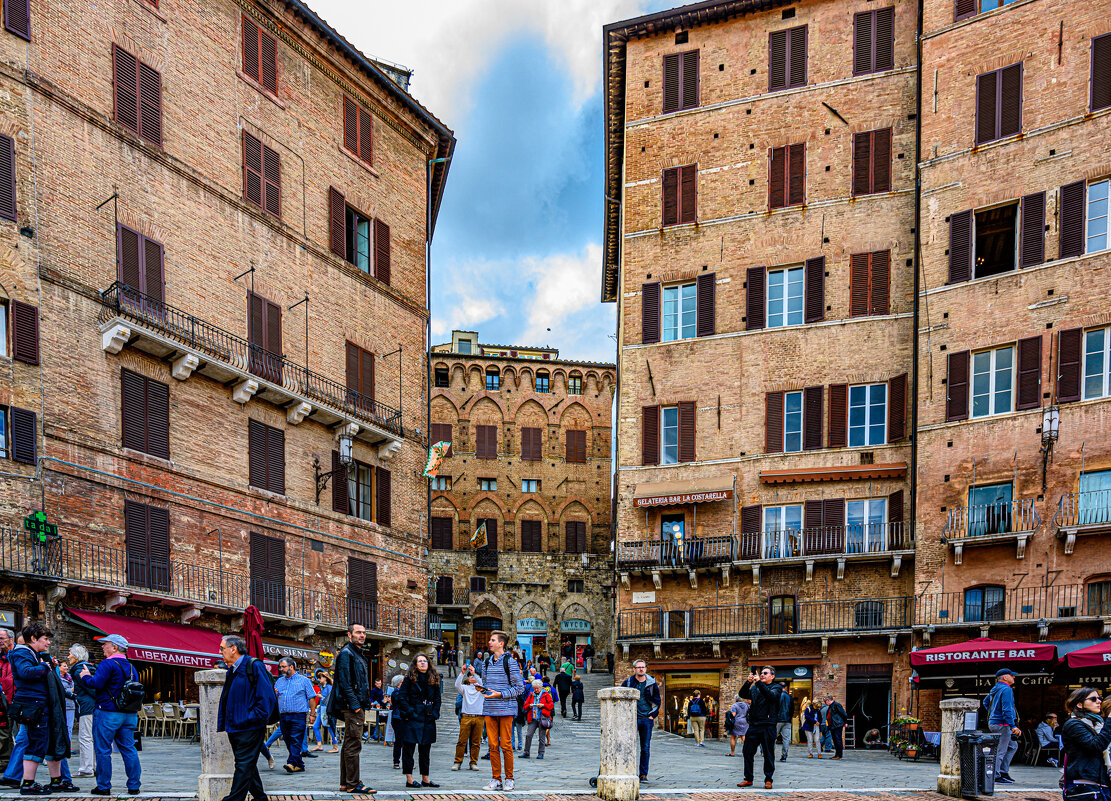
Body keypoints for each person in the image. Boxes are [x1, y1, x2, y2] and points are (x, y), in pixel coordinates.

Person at [10, 623, 76, 795]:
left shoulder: (35, 654)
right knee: (36, 743)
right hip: (34, 706)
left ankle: (56, 781)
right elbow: (25, 672)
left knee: (50, 741)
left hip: (42, 705)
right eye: (45, 639)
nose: (48, 643)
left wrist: (47, 664)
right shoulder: (21, 652)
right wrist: (45, 667)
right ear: (33, 639)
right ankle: (28, 784)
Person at [76, 634, 142, 796]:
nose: (102, 647)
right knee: (129, 749)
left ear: (115, 647)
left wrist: (85, 677)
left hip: (107, 712)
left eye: (105, 644)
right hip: (128, 714)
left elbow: (96, 684)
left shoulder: (107, 664)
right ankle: (134, 786)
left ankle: (104, 786)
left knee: (103, 750)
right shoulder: (132, 667)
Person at [216, 635, 277, 801]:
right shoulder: (232, 670)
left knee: (243, 765)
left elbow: (267, 698)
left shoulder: (253, 665)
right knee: (246, 764)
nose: (220, 651)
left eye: (222, 648)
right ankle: (260, 797)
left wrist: (252, 718)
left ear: (233, 649)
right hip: (235, 726)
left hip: (249, 726)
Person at [476, 630, 525, 791]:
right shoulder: (486, 662)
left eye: (492, 640)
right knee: (492, 746)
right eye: (490, 640)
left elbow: (519, 688)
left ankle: (509, 779)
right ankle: (496, 779)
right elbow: (486, 686)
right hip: (489, 709)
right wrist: (480, 689)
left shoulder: (510, 662)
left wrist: (501, 694)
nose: (489, 642)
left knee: (506, 745)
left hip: (506, 709)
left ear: (501, 643)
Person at [331, 624, 374, 794]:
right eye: (358, 633)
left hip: (354, 705)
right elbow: (344, 682)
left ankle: (345, 783)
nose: (362, 635)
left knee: (348, 744)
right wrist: (356, 706)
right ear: (350, 635)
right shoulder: (346, 654)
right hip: (352, 707)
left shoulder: (356, 653)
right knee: (353, 745)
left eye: (363, 633)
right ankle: (354, 783)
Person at [394, 654, 441, 789]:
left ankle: (425, 778)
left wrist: (435, 714)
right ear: (415, 664)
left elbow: (438, 699)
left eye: (424, 661)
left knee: (425, 750)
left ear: (428, 663)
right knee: (408, 749)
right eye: (419, 661)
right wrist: (410, 712)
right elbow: (401, 698)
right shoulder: (409, 679)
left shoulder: (434, 678)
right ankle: (409, 779)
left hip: (428, 718)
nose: (422, 663)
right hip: (412, 718)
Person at [738, 665, 785, 790]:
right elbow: (742, 693)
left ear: (772, 676)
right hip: (754, 725)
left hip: (768, 726)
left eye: (765, 673)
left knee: (768, 753)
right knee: (747, 752)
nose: (762, 675)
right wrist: (748, 682)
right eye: (761, 673)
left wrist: (758, 682)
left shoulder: (777, 687)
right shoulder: (755, 688)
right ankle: (748, 778)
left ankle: (768, 779)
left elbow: (771, 696)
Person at [1060, 687, 1111, 801]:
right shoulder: (1074, 724)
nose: (1099, 701)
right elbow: (1096, 746)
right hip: (1083, 787)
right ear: (1079, 704)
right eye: (1093, 699)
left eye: (1099, 698)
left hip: (1100, 785)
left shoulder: (1098, 724)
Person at [273, 658, 317, 774]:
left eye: (283, 667)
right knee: (287, 740)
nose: (281, 669)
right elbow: (277, 697)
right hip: (284, 715)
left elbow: (311, 698)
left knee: (295, 739)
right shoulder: (279, 681)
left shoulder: (304, 680)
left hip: (298, 715)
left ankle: (291, 763)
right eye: (280, 667)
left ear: (291, 667)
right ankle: (299, 764)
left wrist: (312, 714)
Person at [621, 659, 660, 783]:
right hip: (632, 719)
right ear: (634, 669)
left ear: (646, 669)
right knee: (627, 746)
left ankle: (643, 774)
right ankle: (627, 771)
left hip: (646, 719)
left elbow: (658, 701)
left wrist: (652, 716)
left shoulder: (652, 683)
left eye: (643, 667)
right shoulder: (628, 683)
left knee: (645, 747)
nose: (641, 669)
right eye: (638, 667)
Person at [984, 668, 1021, 784]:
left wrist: (993, 714)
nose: (1014, 677)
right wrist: (1013, 725)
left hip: (995, 723)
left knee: (1012, 746)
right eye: (1011, 675)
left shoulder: (995, 689)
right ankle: (996, 775)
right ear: (1005, 677)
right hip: (1002, 724)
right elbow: (1007, 709)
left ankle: (1003, 772)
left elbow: (985, 702)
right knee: (1001, 750)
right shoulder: (1006, 689)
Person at [67, 645, 95, 777]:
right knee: (92, 738)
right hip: (92, 707)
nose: (68, 656)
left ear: (77, 656)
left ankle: (86, 769)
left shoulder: (79, 669)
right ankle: (93, 767)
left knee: (85, 738)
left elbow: (91, 689)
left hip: (86, 707)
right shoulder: (89, 667)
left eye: (70, 654)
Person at [452, 667, 484, 771]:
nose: (471, 677)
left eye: (473, 676)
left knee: (476, 742)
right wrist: (462, 673)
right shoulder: (465, 688)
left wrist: (475, 674)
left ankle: (473, 762)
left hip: (479, 716)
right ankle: (457, 761)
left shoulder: (481, 689)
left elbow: (483, 684)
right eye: (470, 676)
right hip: (466, 716)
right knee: (462, 741)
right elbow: (457, 685)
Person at [521, 679, 553, 760]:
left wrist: (543, 705)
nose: (535, 690)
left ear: (540, 687)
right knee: (528, 735)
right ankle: (526, 752)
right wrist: (530, 706)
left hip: (542, 718)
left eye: (537, 688)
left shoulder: (546, 695)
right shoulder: (531, 695)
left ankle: (541, 753)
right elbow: (525, 706)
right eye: (534, 688)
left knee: (541, 737)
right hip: (533, 718)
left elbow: (551, 705)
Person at [312, 672, 338, 753]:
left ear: (325, 678)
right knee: (315, 726)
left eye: (320, 678)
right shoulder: (323, 687)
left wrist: (321, 697)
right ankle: (319, 745)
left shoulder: (329, 687)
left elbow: (330, 700)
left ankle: (335, 746)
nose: (319, 679)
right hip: (322, 711)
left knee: (331, 728)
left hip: (328, 711)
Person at [384, 675, 404, 770]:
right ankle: (396, 761)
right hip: (398, 718)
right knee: (399, 741)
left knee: (406, 742)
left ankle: (407, 761)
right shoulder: (396, 693)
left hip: (404, 718)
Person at [0, 628, 13, 765]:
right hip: (2, 700)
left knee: (21, 734)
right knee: (4, 731)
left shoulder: (15, 655)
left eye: (2, 638)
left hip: (16, 699)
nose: (0, 641)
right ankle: (5, 761)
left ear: (10, 639)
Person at [824, 693, 847, 760]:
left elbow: (844, 714)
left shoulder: (836, 705)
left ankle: (839, 755)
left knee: (838, 739)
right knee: (835, 740)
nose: (825, 703)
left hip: (837, 725)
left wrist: (844, 722)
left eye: (825, 701)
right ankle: (837, 754)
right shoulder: (831, 707)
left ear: (828, 700)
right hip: (833, 726)